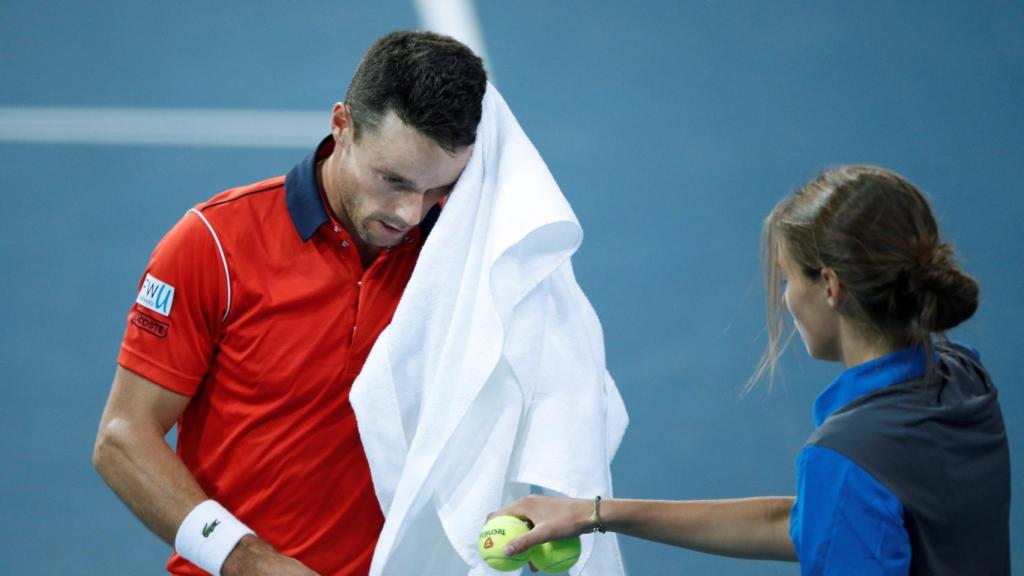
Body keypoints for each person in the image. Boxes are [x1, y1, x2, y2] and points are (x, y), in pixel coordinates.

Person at [93, 31, 487, 576]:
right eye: (391, 179)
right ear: (342, 125)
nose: (409, 215)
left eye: (437, 190)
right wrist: (242, 557)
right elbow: (122, 438)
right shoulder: (213, 245)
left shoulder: (462, 259)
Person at [491, 165, 1011, 575]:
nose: (785, 299)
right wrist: (595, 513)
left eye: (788, 279)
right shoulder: (961, 376)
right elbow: (807, 523)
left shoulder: (850, 455)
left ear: (830, 286)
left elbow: (842, 510)